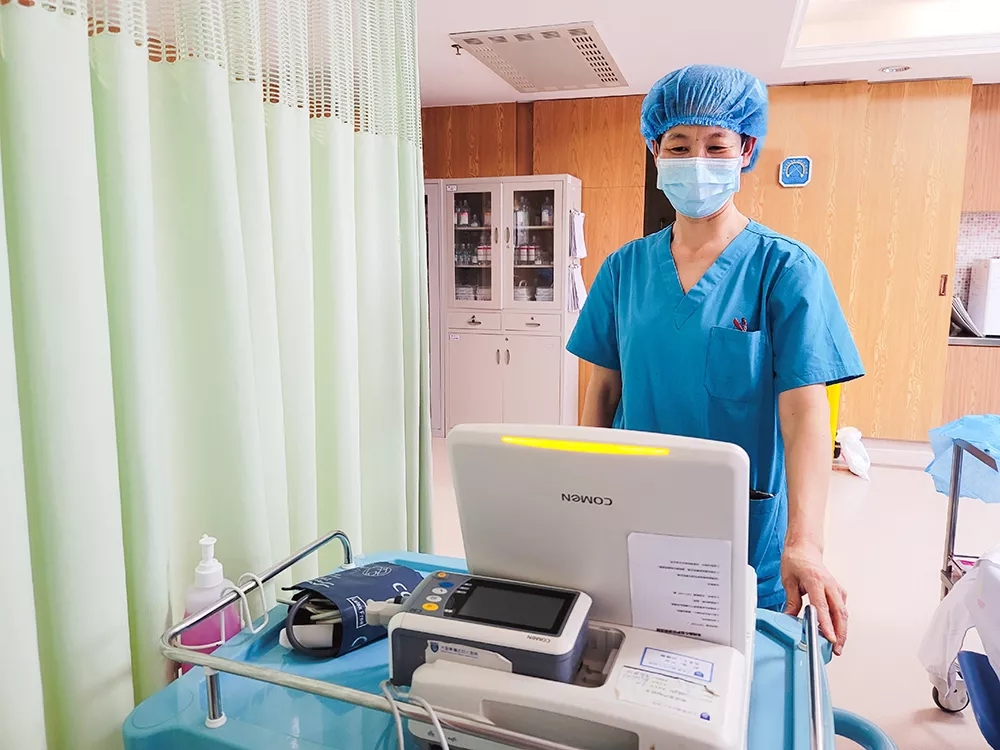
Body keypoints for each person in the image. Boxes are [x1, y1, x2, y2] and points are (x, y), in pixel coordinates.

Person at [567, 64, 865, 656]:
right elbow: (602, 393)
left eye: (716, 145)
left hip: (743, 526)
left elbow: (806, 413)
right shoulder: (625, 269)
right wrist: (585, 498)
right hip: (637, 507)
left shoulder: (785, 268)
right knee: (634, 657)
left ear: (746, 151)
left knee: (736, 667)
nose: (696, 161)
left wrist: (806, 541)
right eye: (678, 145)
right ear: (655, 151)